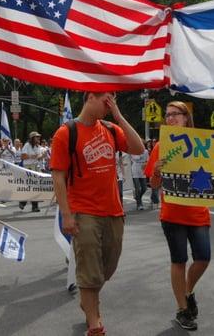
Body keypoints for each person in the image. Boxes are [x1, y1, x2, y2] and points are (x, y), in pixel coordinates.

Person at [51, 91, 144, 336]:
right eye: (107, 99)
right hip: (84, 212)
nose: (111, 103)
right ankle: (95, 322)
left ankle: (88, 298)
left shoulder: (111, 129)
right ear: (91, 97)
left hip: (113, 210)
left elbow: (138, 147)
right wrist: (67, 214)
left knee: (108, 267)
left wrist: (119, 115)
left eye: (114, 98)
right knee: (90, 269)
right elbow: (58, 176)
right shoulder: (66, 133)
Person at [144, 101, 210, 331]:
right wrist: (156, 172)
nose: (170, 118)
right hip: (172, 213)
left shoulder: (203, 144)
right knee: (179, 260)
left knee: (203, 258)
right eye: (168, 115)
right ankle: (182, 309)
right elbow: (153, 184)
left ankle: (187, 290)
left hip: (198, 212)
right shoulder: (160, 147)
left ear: (186, 117)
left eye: (175, 114)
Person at [20, 131, 44, 212]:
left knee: (36, 187)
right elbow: (23, 156)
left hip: (36, 167)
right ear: (32, 138)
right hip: (28, 167)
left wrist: (42, 155)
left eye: (39, 137)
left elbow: (39, 157)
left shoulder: (38, 147)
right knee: (30, 186)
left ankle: (32, 205)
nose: (38, 138)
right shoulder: (27, 145)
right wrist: (34, 156)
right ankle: (24, 202)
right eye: (36, 137)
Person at [130, 143, 149, 210]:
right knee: (137, 188)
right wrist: (140, 153)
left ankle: (138, 197)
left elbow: (147, 159)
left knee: (144, 188)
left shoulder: (146, 151)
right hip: (135, 168)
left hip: (142, 168)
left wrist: (146, 164)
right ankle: (139, 204)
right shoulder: (133, 150)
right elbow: (136, 158)